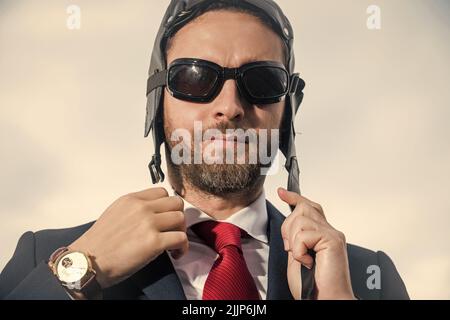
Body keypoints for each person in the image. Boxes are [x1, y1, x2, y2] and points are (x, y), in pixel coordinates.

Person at [0, 0, 409, 300]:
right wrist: (80, 271)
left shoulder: (368, 276)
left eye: (262, 82)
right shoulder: (48, 256)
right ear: (158, 103)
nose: (230, 107)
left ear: (287, 112)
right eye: (196, 78)